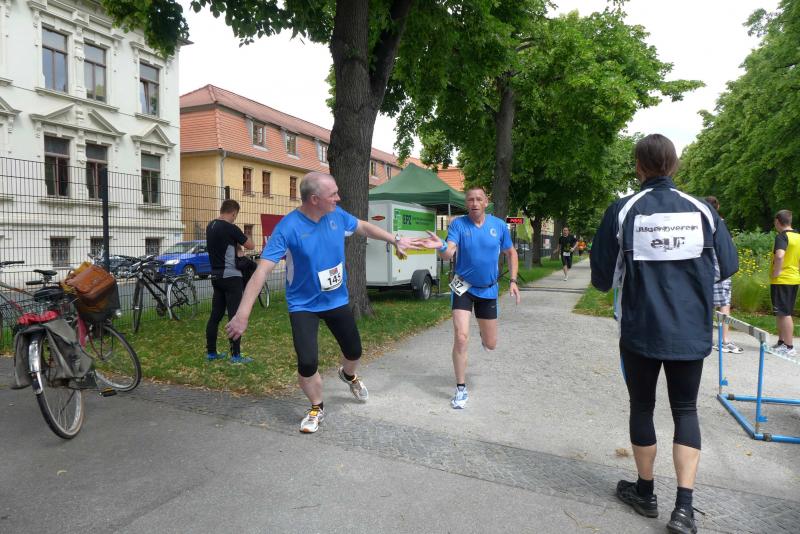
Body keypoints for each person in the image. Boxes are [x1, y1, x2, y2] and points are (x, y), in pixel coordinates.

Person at [591, 134, 737, 534]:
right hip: (690, 331)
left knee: (642, 407)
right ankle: (684, 510)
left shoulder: (623, 210)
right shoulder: (704, 211)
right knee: (686, 410)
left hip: (640, 329)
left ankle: (645, 492)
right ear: (674, 165)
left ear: (638, 167)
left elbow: (602, 279)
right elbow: (726, 266)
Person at [225, 172, 418, 433]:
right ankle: (316, 406)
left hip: (336, 299)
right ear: (315, 199)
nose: (338, 198)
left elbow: (362, 226)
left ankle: (348, 375)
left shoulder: (336, 215)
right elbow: (262, 271)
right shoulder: (288, 228)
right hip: (303, 305)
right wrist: (242, 313)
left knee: (354, 351)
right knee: (307, 363)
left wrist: (394, 239)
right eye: (333, 194)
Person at [417, 186, 520, 409]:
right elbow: (448, 252)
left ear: (486, 203)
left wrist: (513, 280)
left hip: (488, 289)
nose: (474, 203)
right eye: (470, 199)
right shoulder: (458, 225)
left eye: (479, 199)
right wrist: (440, 246)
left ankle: (485, 335)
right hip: (463, 287)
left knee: (491, 344)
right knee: (461, 337)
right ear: (466, 203)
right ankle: (461, 388)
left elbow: (511, 253)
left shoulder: (498, 226)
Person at [206, 199, 255, 364]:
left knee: (215, 315)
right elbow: (250, 245)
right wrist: (244, 236)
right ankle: (235, 355)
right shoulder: (231, 228)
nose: (235, 218)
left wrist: (234, 245)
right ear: (234, 213)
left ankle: (211, 352)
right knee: (235, 316)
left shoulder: (211, 226)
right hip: (231, 276)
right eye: (236, 215)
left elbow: (223, 245)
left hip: (216, 275)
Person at [705, 196, 742, 354]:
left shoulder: (700, 222)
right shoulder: (720, 223)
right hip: (721, 269)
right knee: (724, 304)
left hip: (705, 270)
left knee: (705, 304)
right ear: (718, 207)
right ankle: (724, 340)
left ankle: (705, 338)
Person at [770, 209, 799, 357]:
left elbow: (780, 256)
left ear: (777, 221)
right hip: (793, 278)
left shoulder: (782, 236)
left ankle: (789, 346)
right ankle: (782, 342)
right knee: (781, 312)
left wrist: (776, 272)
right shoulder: (798, 236)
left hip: (782, 280)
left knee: (784, 313)